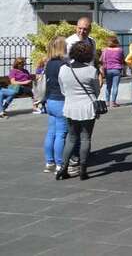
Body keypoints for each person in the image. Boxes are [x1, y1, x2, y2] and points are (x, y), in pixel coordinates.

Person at [55, 41, 100, 181]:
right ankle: (83, 170)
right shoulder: (91, 70)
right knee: (86, 138)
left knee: (71, 138)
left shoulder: (63, 69)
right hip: (87, 107)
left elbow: (63, 89)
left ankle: (63, 168)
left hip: (70, 105)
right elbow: (97, 91)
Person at [42, 37, 68, 173]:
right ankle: (59, 163)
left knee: (51, 132)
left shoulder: (49, 63)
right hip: (60, 100)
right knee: (61, 133)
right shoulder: (63, 65)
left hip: (50, 100)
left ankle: (49, 162)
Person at [99, 36, 124, 108]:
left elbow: (101, 60)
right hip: (117, 69)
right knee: (115, 86)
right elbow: (122, 60)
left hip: (108, 69)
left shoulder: (105, 50)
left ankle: (107, 102)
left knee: (108, 86)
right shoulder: (120, 50)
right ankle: (113, 102)